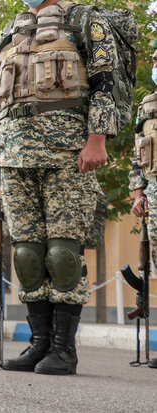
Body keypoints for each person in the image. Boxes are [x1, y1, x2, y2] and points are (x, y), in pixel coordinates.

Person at [0, 0, 119, 375]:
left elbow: (107, 81)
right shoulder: (12, 28)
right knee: (26, 252)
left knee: (62, 251)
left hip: (67, 150)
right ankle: (38, 343)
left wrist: (97, 139)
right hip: (12, 151)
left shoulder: (84, 19)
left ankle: (63, 349)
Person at [129, 38, 157, 369]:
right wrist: (139, 194)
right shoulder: (148, 105)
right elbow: (138, 155)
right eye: (153, 58)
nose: (154, 63)